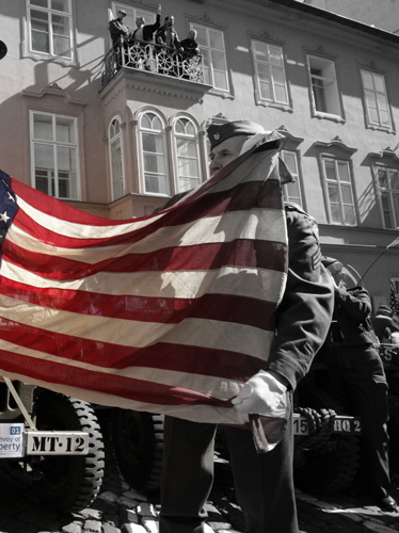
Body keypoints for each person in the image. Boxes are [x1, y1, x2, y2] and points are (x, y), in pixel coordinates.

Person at [157, 120, 336, 533]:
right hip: (194, 365)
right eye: (214, 157)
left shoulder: (287, 224)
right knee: (181, 485)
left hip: (258, 373)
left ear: (257, 159)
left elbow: (309, 304)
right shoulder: (197, 219)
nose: (217, 164)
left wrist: (279, 376)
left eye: (229, 155)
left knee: (266, 496)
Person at [316, 258, 395, 511]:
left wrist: (334, 291)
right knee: (341, 426)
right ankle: (353, 482)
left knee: (374, 426)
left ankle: (381, 491)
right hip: (331, 362)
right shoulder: (316, 298)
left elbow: (361, 311)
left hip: (361, 359)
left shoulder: (354, 292)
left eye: (329, 273)